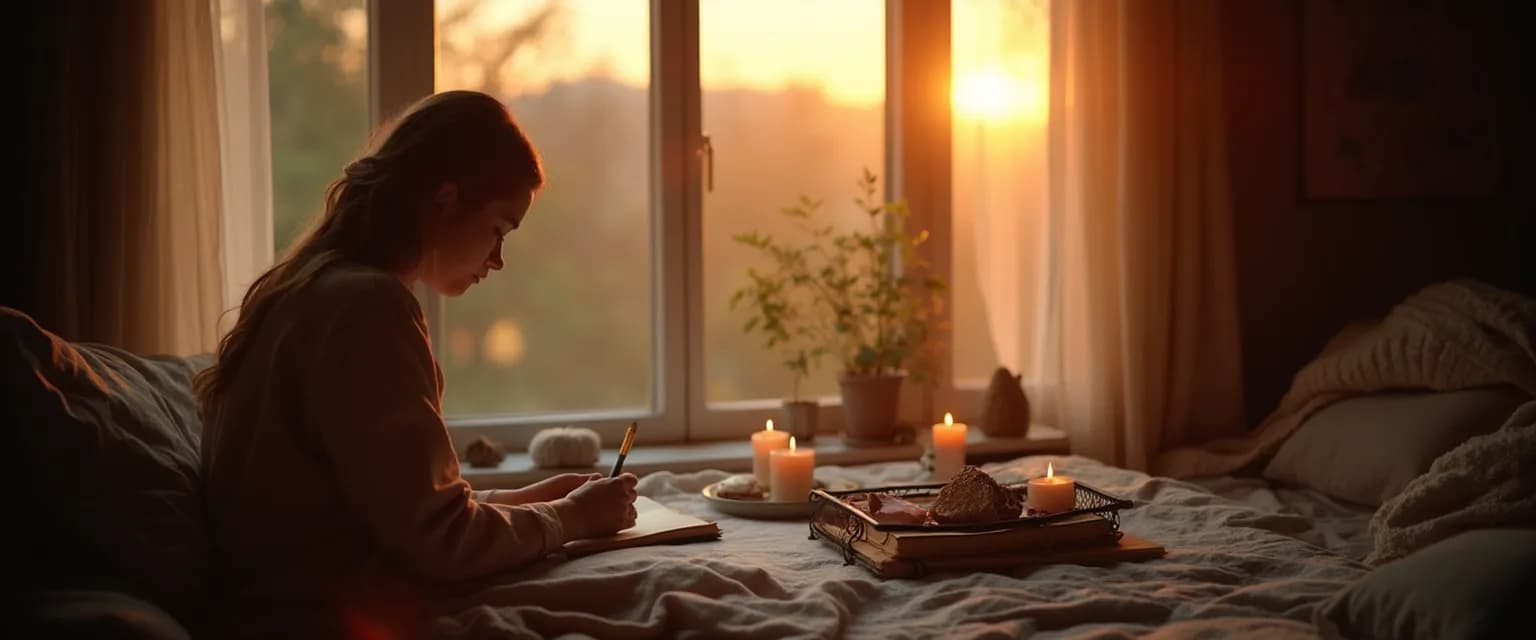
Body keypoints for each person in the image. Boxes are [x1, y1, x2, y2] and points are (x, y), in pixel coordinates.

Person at [195, 90, 638, 636]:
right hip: (323, 616)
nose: (498, 260)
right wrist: (572, 518)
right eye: (498, 229)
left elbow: (393, 511)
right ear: (445, 199)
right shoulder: (367, 307)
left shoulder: (302, 290)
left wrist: (523, 501)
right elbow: (441, 544)